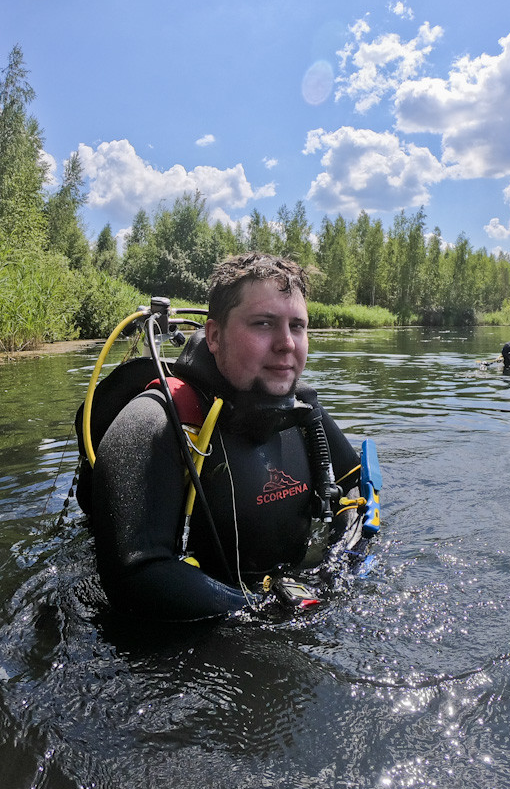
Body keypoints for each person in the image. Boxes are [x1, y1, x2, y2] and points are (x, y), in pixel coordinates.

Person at [85, 254, 369, 620]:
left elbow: (353, 485)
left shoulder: (304, 413)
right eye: (264, 324)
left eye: (297, 326)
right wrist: (260, 610)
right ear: (215, 336)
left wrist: (339, 558)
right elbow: (135, 575)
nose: (287, 344)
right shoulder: (156, 422)